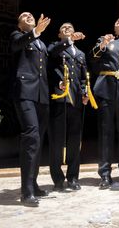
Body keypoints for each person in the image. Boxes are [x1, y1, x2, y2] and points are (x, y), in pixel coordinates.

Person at [9, 12, 51, 206]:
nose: (28, 16)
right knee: (31, 136)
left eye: (30, 15)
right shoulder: (17, 36)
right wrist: (34, 32)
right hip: (24, 92)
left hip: (41, 95)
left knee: (38, 139)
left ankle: (33, 183)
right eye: (23, 16)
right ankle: (26, 191)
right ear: (19, 25)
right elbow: (17, 46)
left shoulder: (41, 43)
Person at [91, 17, 119, 188]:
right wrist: (102, 44)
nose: (118, 22)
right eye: (116, 20)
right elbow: (93, 58)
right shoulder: (104, 40)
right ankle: (105, 173)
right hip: (106, 89)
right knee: (106, 132)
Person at [47, 23, 88, 191]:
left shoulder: (80, 54)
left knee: (74, 140)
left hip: (76, 100)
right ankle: (57, 178)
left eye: (70, 28)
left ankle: (73, 177)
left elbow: (84, 75)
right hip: (59, 98)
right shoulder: (54, 48)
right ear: (59, 34)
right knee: (57, 140)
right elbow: (51, 58)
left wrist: (85, 92)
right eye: (63, 28)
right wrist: (68, 40)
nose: (67, 29)